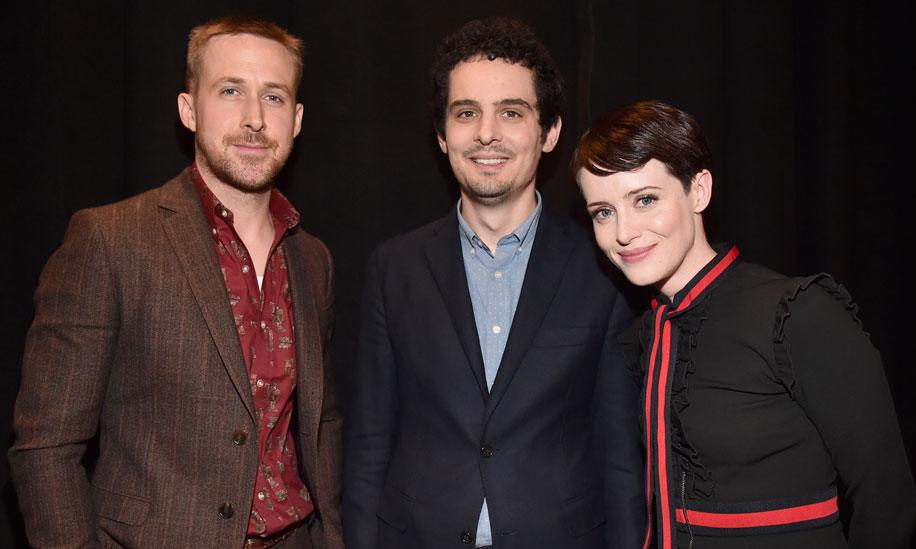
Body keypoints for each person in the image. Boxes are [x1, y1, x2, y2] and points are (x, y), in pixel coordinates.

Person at [8, 16, 343, 548]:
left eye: (274, 97)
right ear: (190, 109)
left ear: (297, 119)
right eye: (231, 91)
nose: (254, 119)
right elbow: (46, 448)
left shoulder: (313, 260)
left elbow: (320, 424)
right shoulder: (110, 239)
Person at [342, 16, 644, 549]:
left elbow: (620, 453)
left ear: (549, 132)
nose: (487, 133)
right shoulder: (394, 269)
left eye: (511, 112)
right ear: (442, 135)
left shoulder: (604, 268)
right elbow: (368, 444)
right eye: (466, 113)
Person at [572, 99, 916, 549]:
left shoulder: (795, 312)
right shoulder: (645, 336)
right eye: (603, 211)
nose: (623, 231)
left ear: (698, 190)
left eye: (645, 200)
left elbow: (889, 502)